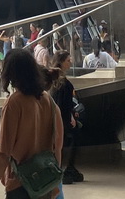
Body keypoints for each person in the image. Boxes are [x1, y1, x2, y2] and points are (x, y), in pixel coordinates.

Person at [0, 48, 63, 199]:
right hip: (45, 182)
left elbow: (3, 152)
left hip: (22, 184)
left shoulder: (14, 103)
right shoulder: (48, 100)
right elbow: (57, 144)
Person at [48, 51, 83, 184]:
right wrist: (70, 116)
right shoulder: (63, 83)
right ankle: (67, 169)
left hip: (59, 117)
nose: (70, 62)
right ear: (62, 62)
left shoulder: (55, 81)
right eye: (68, 60)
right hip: (63, 119)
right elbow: (64, 104)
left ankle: (67, 168)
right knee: (72, 139)